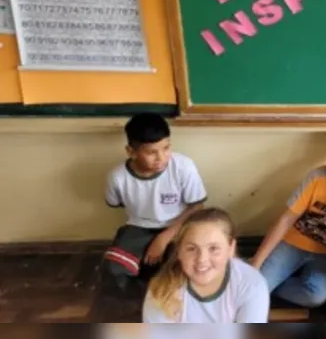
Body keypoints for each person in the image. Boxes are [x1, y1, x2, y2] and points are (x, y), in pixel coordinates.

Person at [250, 129, 326, 308]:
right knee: (256, 287)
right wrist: (256, 264)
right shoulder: (317, 178)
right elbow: (285, 220)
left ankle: (276, 279)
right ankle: (250, 269)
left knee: (316, 296)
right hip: (294, 242)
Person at [99, 113, 208, 307]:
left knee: (189, 268)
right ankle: (149, 295)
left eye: (166, 148)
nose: (161, 158)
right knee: (113, 269)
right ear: (131, 152)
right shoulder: (117, 177)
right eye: (151, 152)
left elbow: (197, 206)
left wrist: (164, 237)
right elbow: (117, 203)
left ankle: (167, 287)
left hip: (179, 226)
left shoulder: (183, 166)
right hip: (138, 227)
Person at [143, 207, 269, 323]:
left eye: (213, 248)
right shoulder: (161, 291)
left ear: (231, 248)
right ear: (179, 252)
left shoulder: (251, 283)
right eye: (191, 249)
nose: (202, 259)